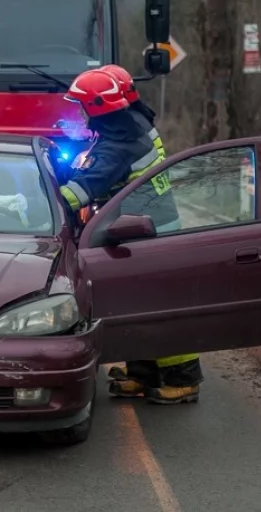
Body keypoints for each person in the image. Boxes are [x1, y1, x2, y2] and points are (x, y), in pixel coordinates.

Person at [58, 68, 201, 405]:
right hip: (143, 227)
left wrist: (34, 202)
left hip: (145, 234)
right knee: (137, 305)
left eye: (83, 106)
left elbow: (79, 193)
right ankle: (143, 374)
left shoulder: (119, 145)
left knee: (158, 309)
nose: (79, 113)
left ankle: (185, 379)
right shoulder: (134, 123)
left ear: (97, 108)